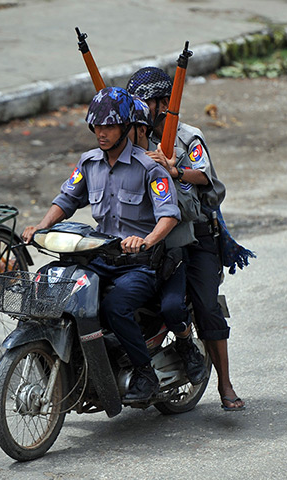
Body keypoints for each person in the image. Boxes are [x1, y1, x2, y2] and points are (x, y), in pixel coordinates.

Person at [22, 87, 181, 403]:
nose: (101, 133)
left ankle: (145, 375)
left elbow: (169, 215)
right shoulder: (88, 163)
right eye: (96, 126)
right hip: (100, 257)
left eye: (108, 127)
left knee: (115, 307)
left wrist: (146, 240)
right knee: (58, 294)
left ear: (124, 127)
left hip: (139, 263)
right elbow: (67, 199)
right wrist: (42, 225)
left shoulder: (149, 168)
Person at [128, 66, 246, 411]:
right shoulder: (134, 134)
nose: (140, 109)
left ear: (164, 103)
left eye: (146, 102)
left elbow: (203, 175)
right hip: (154, 235)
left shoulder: (187, 136)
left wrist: (172, 168)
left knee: (206, 307)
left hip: (196, 237)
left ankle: (224, 384)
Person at [129, 94, 208, 387]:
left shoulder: (163, 157)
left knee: (172, 307)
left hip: (168, 254)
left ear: (142, 129)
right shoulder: (103, 161)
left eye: (129, 128)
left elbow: (188, 209)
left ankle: (187, 348)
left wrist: (172, 172)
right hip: (126, 257)